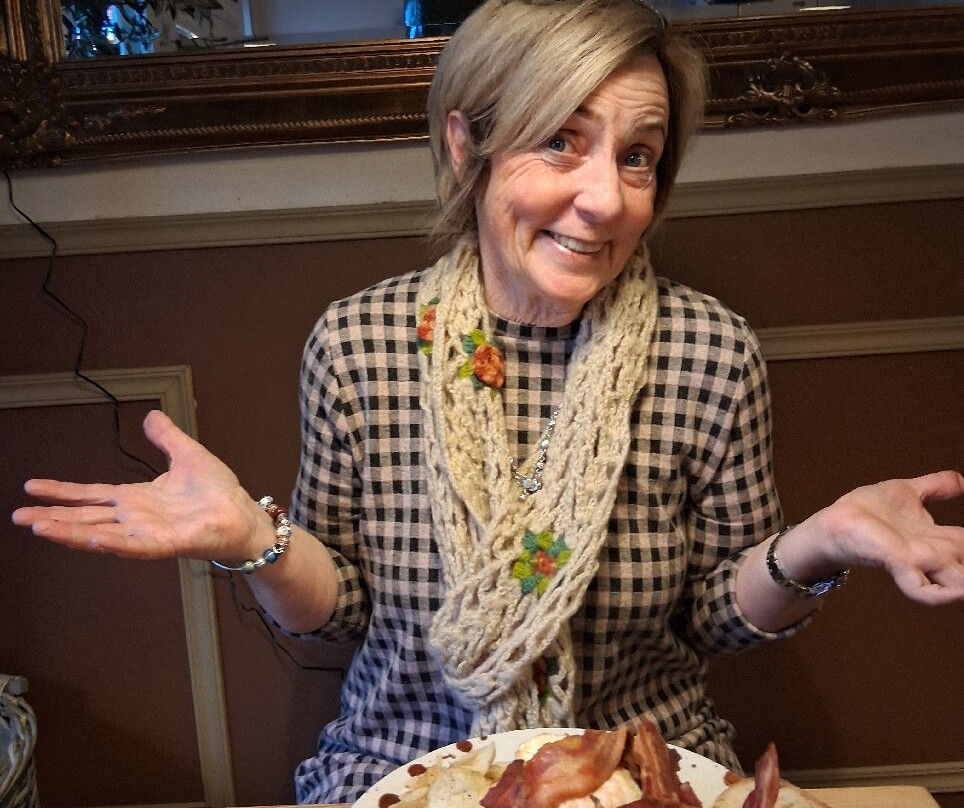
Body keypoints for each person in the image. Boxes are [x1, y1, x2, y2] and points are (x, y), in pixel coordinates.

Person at [12, 0, 964, 803]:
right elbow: (341, 609)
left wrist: (822, 541)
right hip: (404, 768)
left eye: (638, 156)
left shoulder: (709, 353)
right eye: (560, 141)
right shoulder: (359, 345)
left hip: (636, 772)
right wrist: (251, 539)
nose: (607, 199)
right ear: (467, 145)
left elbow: (710, 616)